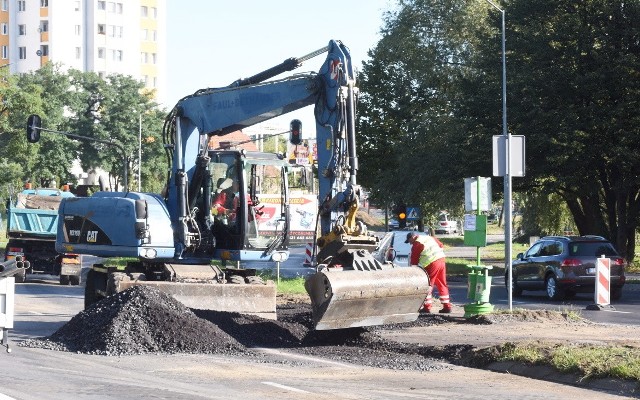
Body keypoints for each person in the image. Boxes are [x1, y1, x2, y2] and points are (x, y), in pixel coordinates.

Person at [406, 231, 452, 313]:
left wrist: (414, 271)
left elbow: (414, 260)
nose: (410, 244)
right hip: (441, 260)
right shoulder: (429, 237)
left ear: (412, 237)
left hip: (431, 264)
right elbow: (441, 245)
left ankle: (427, 307)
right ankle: (447, 306)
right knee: (442, 283)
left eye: (409, 241)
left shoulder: (417, 243)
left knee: (428, 285)